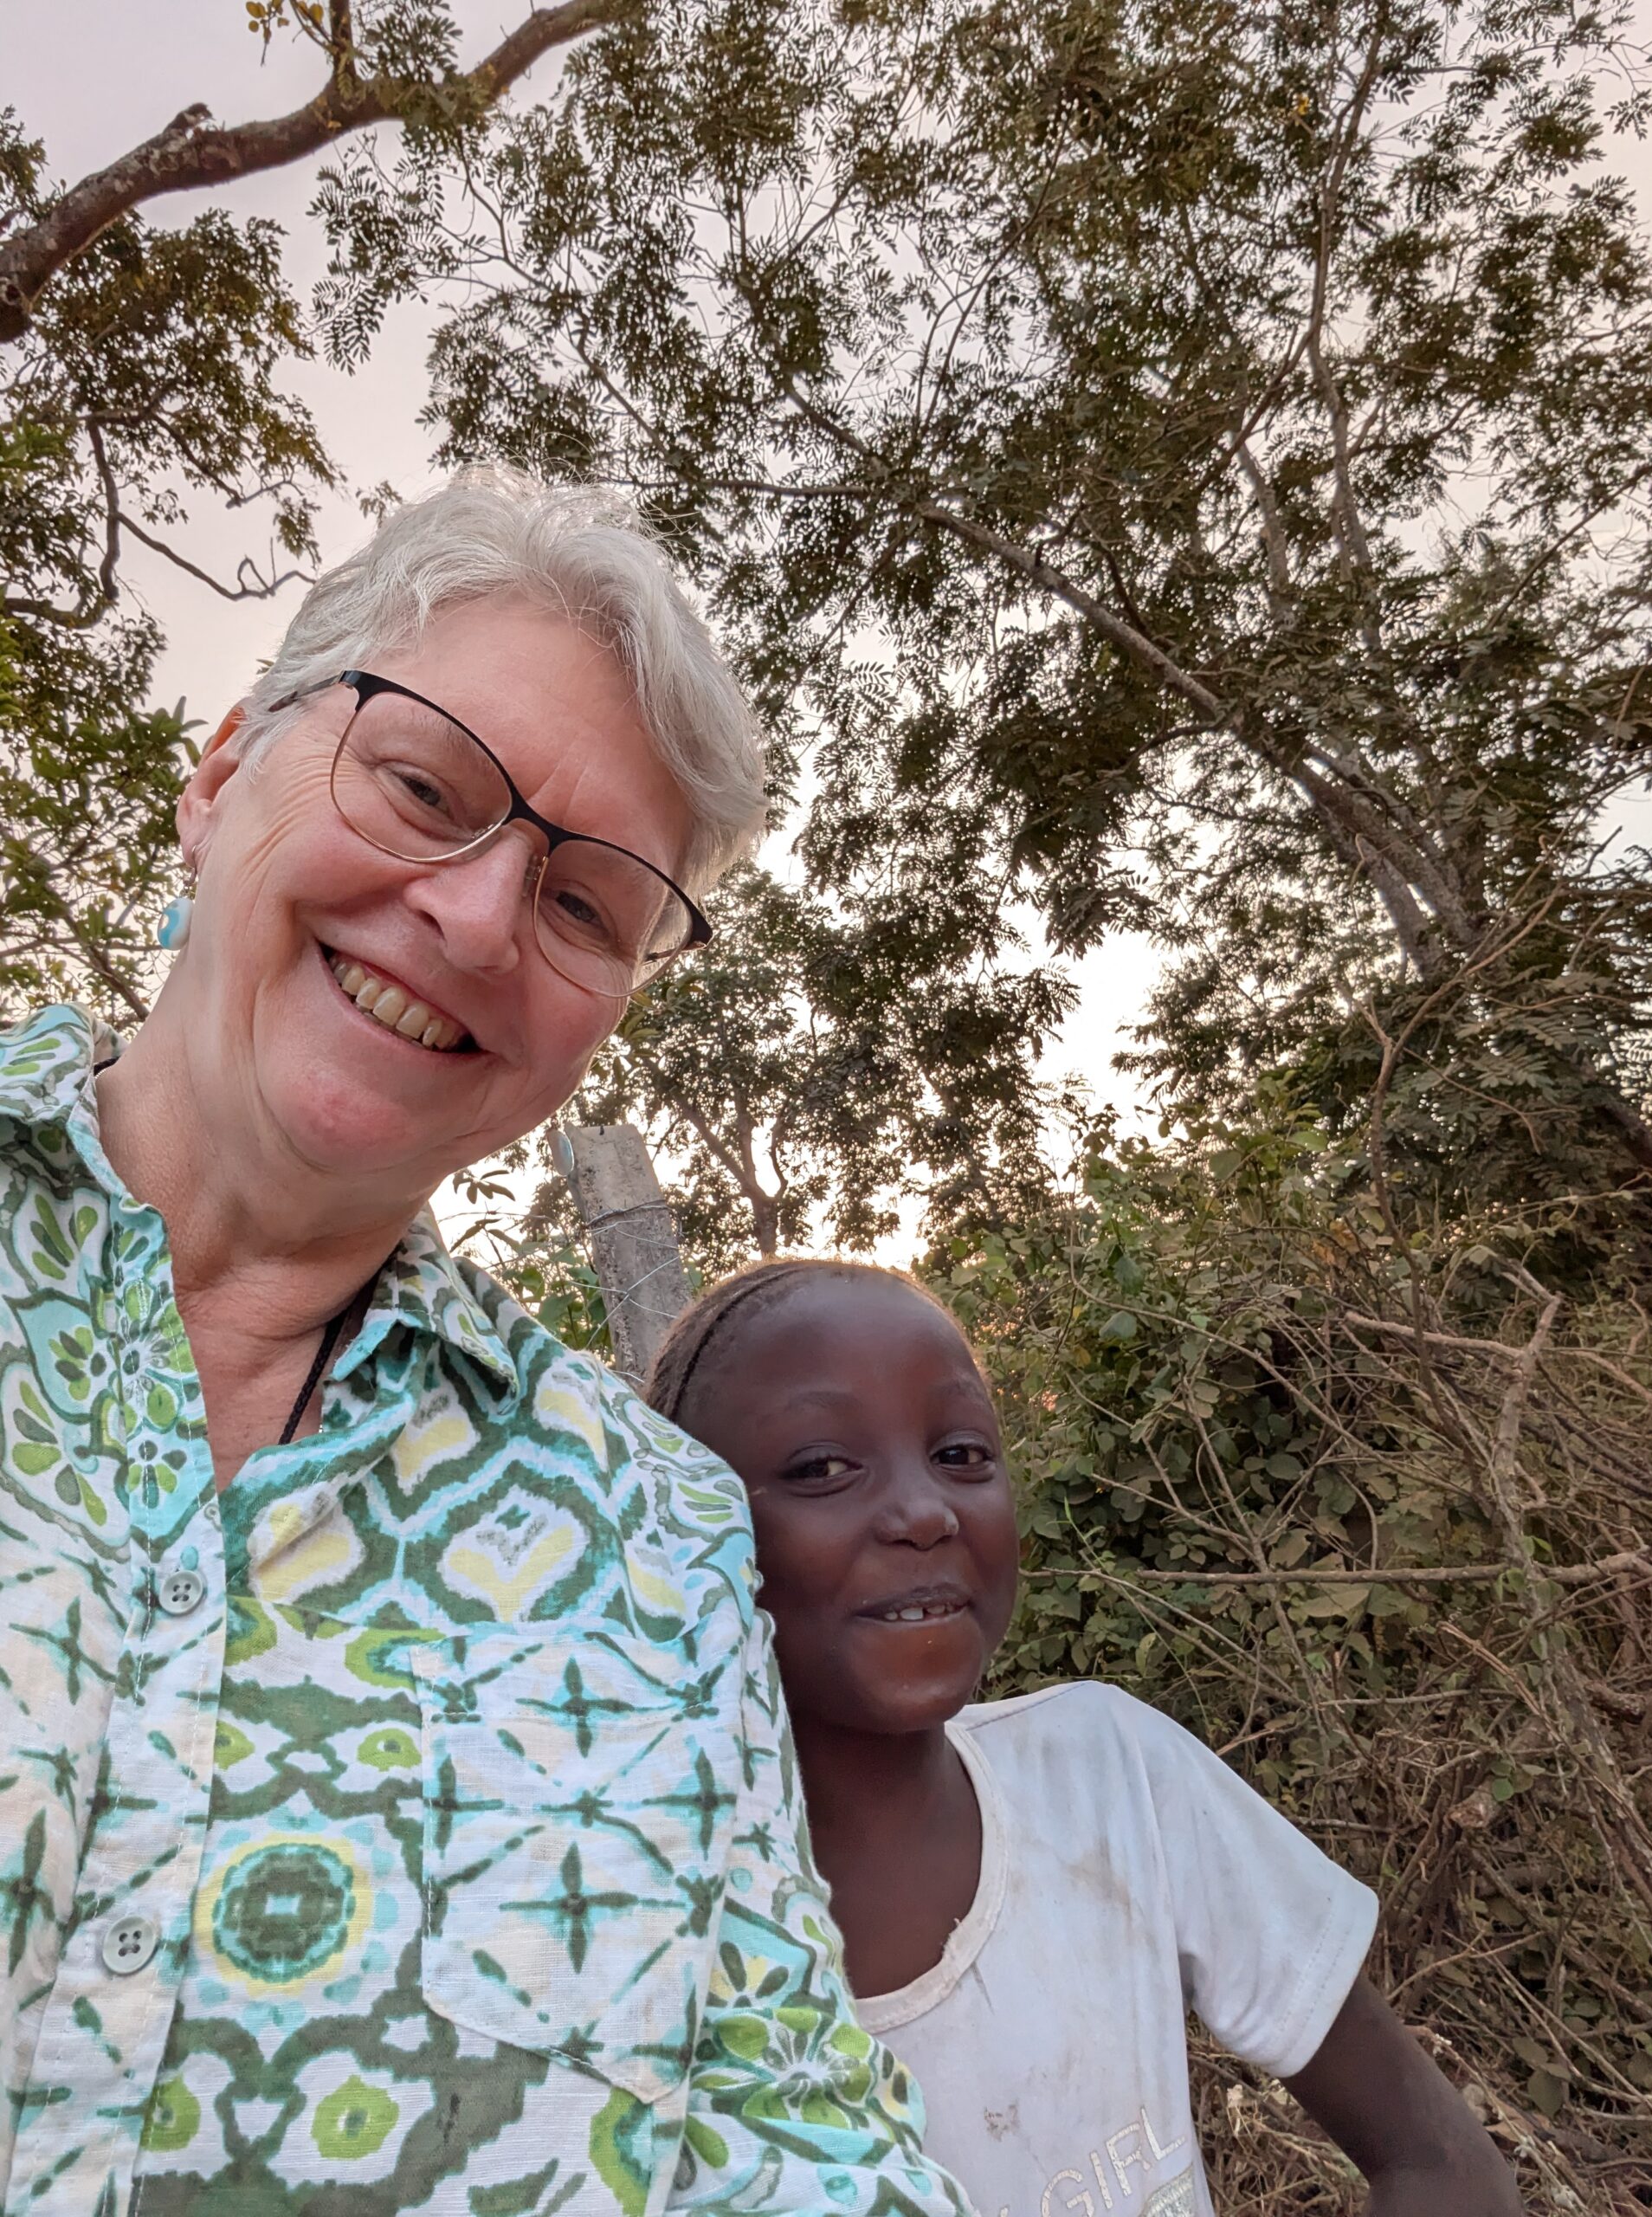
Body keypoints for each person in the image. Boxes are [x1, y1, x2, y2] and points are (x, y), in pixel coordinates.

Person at [0, 474, 972, 2217]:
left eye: (586, 904)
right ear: (222, 777)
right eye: (424, 786)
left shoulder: (652, 1542)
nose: (473, 917)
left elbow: (800, 2145)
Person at [645, 1259, 1526, 2217]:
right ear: (682, 1534)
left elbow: (1440, 2160)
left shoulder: (1109, 1774)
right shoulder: (636, 1947)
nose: (926, 1511)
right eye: (821, 1467)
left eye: (961, 1453)